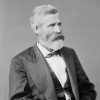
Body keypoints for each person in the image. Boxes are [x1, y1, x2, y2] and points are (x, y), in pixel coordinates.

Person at [9, 5, 96, 100]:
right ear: (36, 29)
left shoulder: (70, 53)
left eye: (59, 24)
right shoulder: (20, 61)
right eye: (52, 25)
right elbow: (19, 98)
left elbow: (87, 89)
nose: (58, 30)